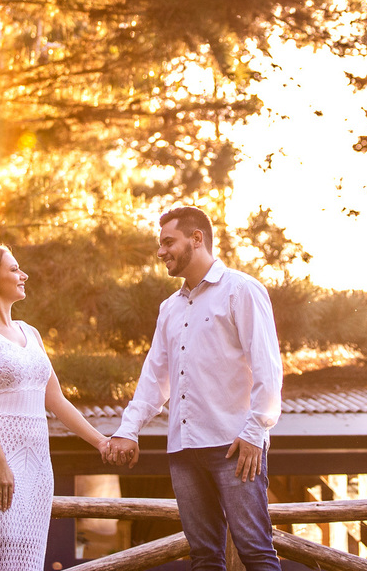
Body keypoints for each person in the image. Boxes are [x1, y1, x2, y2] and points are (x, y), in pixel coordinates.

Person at [107, 206, 283, 571]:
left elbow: (269, 368)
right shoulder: (169, 308)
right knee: (203, 558)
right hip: (184, 449)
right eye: (160, 244)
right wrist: (128, 429)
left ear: (197, 239)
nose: (160, 252)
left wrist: (255, 431)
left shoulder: (241, 290)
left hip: (235, 448)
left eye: (168, 242)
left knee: (256, 552)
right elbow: (155, 377)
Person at [0, 245, 111, 571]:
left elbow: (55, 400)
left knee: (28, 558)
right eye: (14, 269)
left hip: (37, 465)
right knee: (0, 557)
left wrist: (101, 441)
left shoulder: (32, 334)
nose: (23, 275)